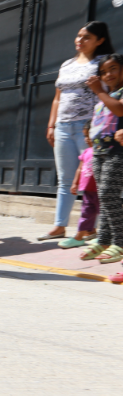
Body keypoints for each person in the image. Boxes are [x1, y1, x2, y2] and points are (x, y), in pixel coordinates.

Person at [41, 21, 114, 242]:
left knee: (93, 178)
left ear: (99, 41)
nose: (79, 41)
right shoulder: (66, 64)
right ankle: (60, 226)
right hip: (63, 125)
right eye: (79, 36)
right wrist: (51, 124)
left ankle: (94, 229)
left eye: (86, 37)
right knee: (65, 178)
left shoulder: (103, 63)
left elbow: (110, 91)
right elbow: (57, 98)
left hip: (90, 128)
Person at [80, 53, 123, 264]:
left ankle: (120, 242)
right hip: (99, 152)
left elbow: (120, 109)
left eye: (113, 69)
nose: (108, 74)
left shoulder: (116, 95)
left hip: (118, 151)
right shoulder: (105, 97)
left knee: (108, 194)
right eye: (104, 72)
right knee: (105, 198)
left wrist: (98, 91)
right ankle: (105, 239)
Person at [60, 122, 98, 249]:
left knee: (105, 214)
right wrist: (75, 183)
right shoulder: (87, 152)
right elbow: (79, 168)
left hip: (100, 190)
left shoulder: (103, 151)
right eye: (85, 136)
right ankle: (79, 237)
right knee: (86, 213)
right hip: (88, 190)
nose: (86, 139)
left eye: (89, 136)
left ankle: (104, 238)